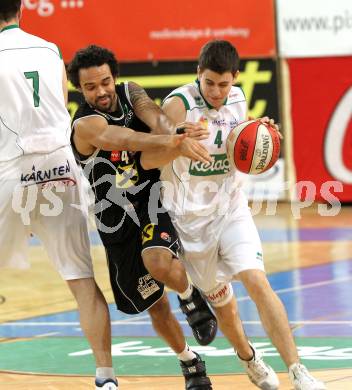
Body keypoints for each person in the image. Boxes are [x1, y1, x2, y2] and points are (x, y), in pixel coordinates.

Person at [141, 40, 327, 390]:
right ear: (199, 73)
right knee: (224, 306)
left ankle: (298, 371)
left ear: (234, 78)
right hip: (189, 223)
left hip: (230, 209)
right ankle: (248, 357)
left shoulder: (239, 100)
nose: (215, 91)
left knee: (256, 279)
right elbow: (147, 161)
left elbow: (244, 144)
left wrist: (264, 137)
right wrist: (176, 142)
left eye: (223, 84)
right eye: (209, 82)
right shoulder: (177, 106)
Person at [67, 44, 217, 390]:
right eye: (90, 87)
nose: (101, 91)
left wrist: (173, 131)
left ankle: (192, 295)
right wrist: (170, 140)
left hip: (150, 199)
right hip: (115, 221)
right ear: (81, 89)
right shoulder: (85, 125)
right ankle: (189, 361)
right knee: (155, 306)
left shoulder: (130, 90)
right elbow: (126, 138)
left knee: (159, 262)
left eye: (105, 82)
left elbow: (153, 115)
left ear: (113, 76)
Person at [0, 2, 116, 390]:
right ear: (21, 11)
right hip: (60, 168)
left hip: (11, 171)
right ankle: (106, 375)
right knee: (82, 281)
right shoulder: (50, 49)